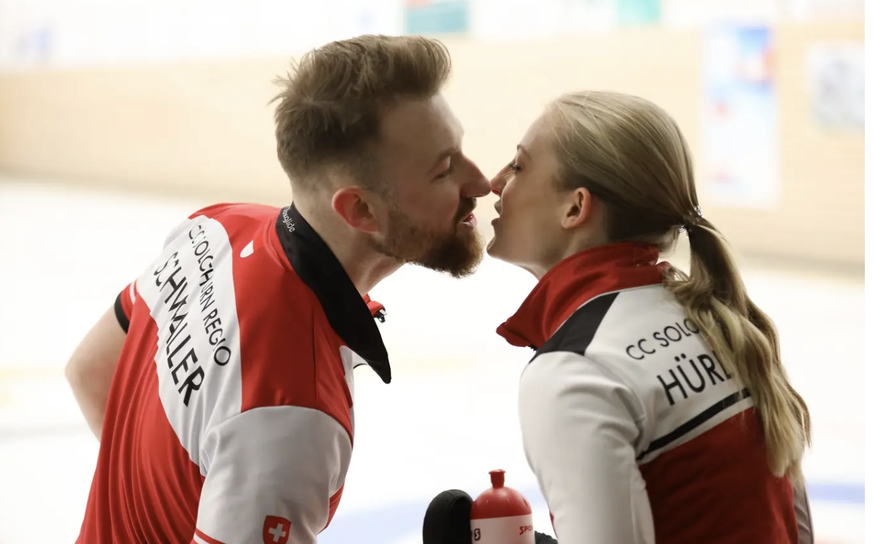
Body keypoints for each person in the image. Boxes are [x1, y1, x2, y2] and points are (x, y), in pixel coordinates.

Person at [65, 34, 490, 544]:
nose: (481, 181)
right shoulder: (293, 410)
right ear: (360, 211)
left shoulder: (218, 228)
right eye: (445, 169)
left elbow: (89, 371)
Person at [487, 91, 814, 543]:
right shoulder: (719, 317)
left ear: (575, 208)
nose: (493, 181)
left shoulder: (576, 370)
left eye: (519, 166)